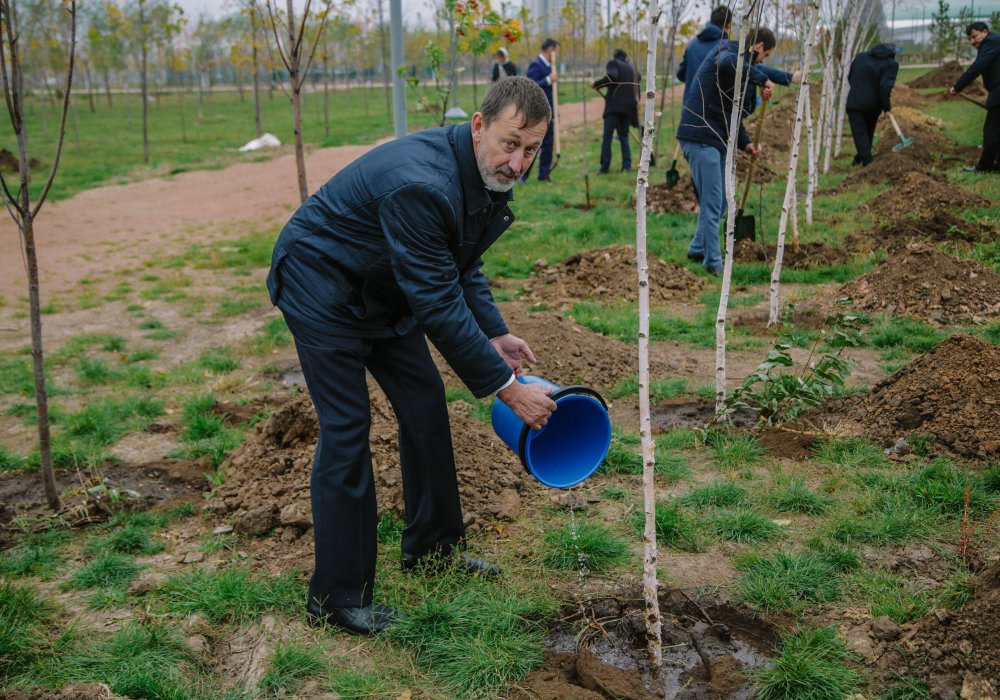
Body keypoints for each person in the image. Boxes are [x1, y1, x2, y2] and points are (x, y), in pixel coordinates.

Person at [266, 76, 557, 636]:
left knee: (424, 403)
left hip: (382, 287)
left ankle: (433, 550)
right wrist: (507, 387)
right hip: (321, 285)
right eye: (510, 143)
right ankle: (337, 598)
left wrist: (494, 333)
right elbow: (437, 299)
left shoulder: (478, 174)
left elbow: (460, 261)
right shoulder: (423, 184)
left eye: (531, 150)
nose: (518, 162)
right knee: (348, 429)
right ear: (479, 126)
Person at [676, 28, 780, 275]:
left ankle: (697, 248)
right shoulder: (726, 51)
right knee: (712, 204)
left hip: (715, 137)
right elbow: (726, 64)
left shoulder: (737, 66)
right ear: (759, 47)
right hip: (701, 136)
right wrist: (760, 78)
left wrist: (746, 144)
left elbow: (732, 116)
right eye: (765, 54)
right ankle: (714, 264)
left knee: (721, 202)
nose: (763, 61)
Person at [676, 7, 800, 99]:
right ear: (729, 25)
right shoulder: (725, 47)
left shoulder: (692, 45)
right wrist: (789, 77)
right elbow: (749, 67)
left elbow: (681, 74)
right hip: (713, 113)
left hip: (689, 109)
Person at [950, 21, 1000, 172]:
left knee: (991, 130)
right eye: (969, 39)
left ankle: (985, 167)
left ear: (984, 32)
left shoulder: (991, 42)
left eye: (974, 37)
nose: (972, 41)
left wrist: (958, 86)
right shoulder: (995, 42)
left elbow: (978, 66)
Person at [845, 43, 899, 166]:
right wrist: (887, 107)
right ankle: (869, 164)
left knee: (861, 134)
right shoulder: (891, 64)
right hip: (873, 105)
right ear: (893, 53)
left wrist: (859, 89)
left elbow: (850, 77)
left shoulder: (860, 57)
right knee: (867, 133)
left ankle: (860, 158)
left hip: (855, 102)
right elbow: (885, 87)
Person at [593, 48, 640, 174]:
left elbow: (612, 76)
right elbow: (637, 88)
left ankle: (604, 168)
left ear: (615, 56)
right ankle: (627, 166)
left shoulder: (614, 64)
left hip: (613, 109)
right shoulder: (632, 69)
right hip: (627, 109)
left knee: (607, 138)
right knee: (624, 138)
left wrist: (596, 84)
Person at [521, 38, 560, 182]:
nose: (557, 55)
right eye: (556, 51)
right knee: (532, 144)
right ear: (550, 50)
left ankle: (543, 175)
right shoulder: (536, 65)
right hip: (538, 113)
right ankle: (523, 175)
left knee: (548, 144)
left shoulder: (550, 67)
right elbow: (531, 86)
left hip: (550, 112)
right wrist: (549, 80)